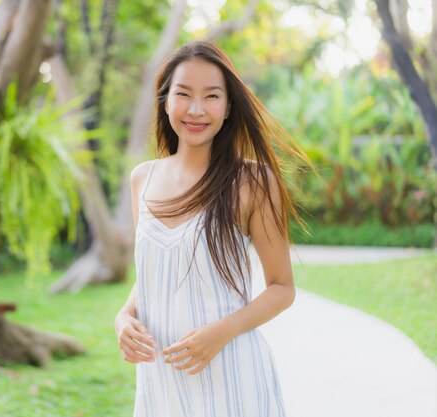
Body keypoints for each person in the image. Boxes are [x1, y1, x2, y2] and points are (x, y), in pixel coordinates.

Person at [114, 40, 306, 417]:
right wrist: (123, 317)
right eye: (183, 94)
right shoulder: (143, 179)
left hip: (233, 378)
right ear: (165, 101)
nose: (197, 109)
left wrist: (222, 332)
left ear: (229, 106)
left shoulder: (251, 180)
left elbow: (282, 288)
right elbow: (153, 273)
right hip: (161, 385)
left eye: (212, 96)